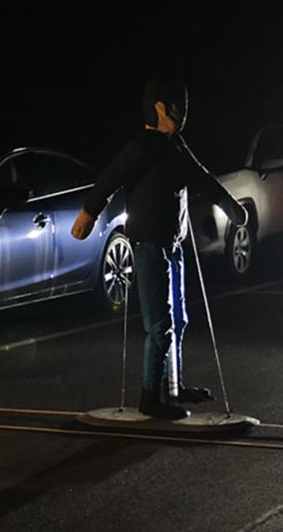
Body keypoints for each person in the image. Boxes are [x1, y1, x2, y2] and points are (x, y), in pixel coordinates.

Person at [71, 78, 248, 419]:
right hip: (149, 243)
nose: (183, 114)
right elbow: (111, 178)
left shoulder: (175, 146)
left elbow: (201, 177)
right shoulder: (142, 146)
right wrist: (88, 213)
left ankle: (174, 386)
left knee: (178, 318)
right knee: (160, 324)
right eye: (177, 106)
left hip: (174, 242)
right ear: (160, 108)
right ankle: (150, 397)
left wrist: (229, 205)